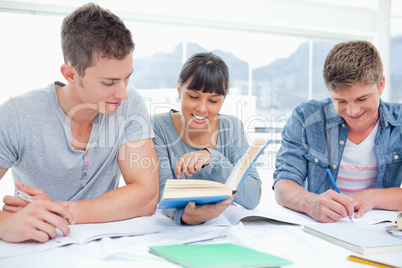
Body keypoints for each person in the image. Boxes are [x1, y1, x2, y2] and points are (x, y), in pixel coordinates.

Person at [0, 3, 159, 243]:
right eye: (109, 82)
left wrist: (61, 211)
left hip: (103, 247)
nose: (123, 93)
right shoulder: (18, 114)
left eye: (127, 78)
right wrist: (4, 224)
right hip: (35, 246)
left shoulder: (129, 105)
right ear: (70, 74)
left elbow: (146, 196)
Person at [273, 40, 402, 223]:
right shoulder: (306, 117)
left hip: (378, 233)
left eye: (361, 98)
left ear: (381, 85)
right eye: (340, 101)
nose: (352, 111)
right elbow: (283, 185)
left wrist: (371, 197)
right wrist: (310, 203)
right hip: (323, 230)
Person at [152, 52, 261, 225]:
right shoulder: (158, 126)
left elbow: (253, 196)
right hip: (175, 231)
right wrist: (185, 216)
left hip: (224, 228)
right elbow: (161, 193)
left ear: (223, 100)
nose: (202, 108)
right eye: (194, 97)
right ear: (179, 90)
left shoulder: (232, 128)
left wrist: (212, 158)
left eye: (213, 100)